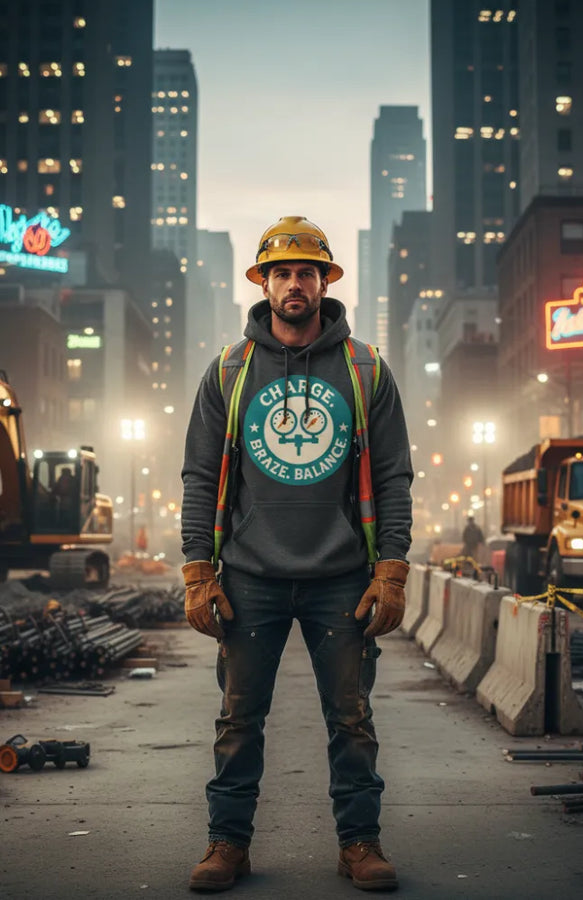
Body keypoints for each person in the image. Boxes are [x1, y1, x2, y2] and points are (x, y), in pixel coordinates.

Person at [181, 216, 413, 893]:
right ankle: (227, 843)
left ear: (324, 282)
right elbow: (200, 475)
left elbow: (394, 475)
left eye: (306, 272)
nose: (294, 283)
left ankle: (359, 843)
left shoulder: (364, 368)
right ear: (263, 282)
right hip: (249, 576)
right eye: (280, 272)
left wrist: (391, 570)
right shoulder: (230, 370)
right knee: (237, 720)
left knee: (352, 719)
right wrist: (199, 570)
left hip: (339, 579)